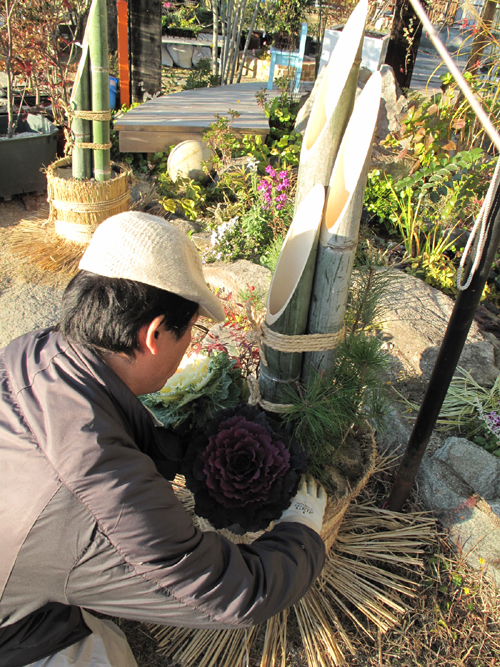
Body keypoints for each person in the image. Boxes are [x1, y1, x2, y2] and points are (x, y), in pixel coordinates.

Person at [0, 211, 327, 667]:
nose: (191, 343)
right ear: (154, 334)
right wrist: (302, 533)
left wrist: (179, 447)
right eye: (189, 329)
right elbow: (232, 596)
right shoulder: (93, 504)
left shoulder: (32, 353)